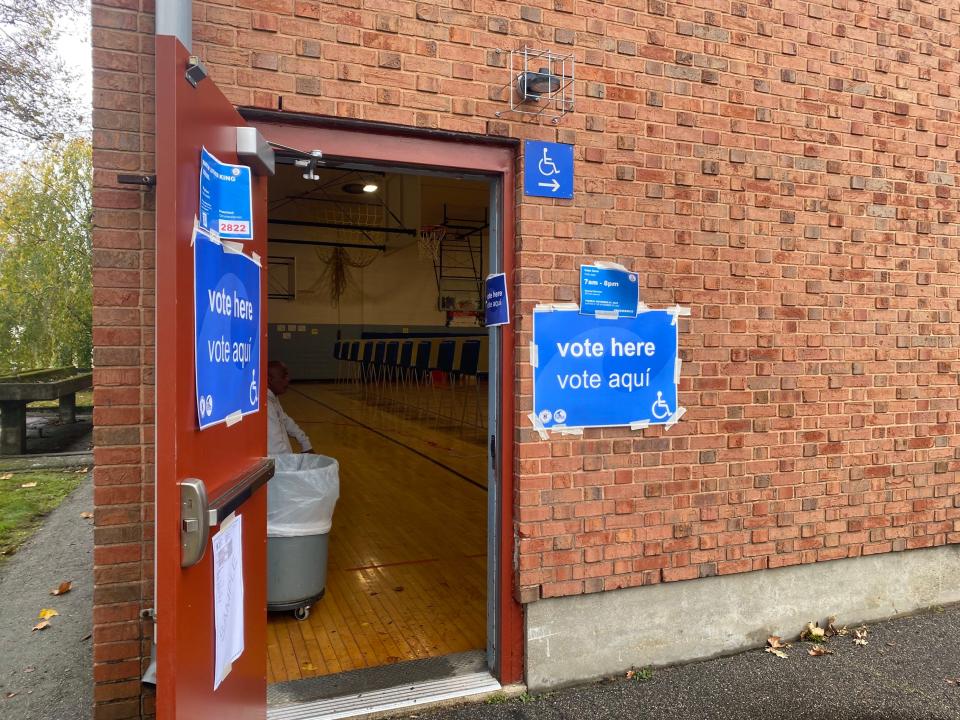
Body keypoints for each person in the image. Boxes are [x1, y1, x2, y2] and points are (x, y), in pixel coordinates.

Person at [266, 360, 314, 455]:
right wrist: (292, 465)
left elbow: (286, 421)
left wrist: (305, 443)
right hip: (280, 465)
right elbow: (277, 448)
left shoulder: (273, 398)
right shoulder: (266, 406)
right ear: (269, 379)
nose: (288, 379)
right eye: (283, 376)